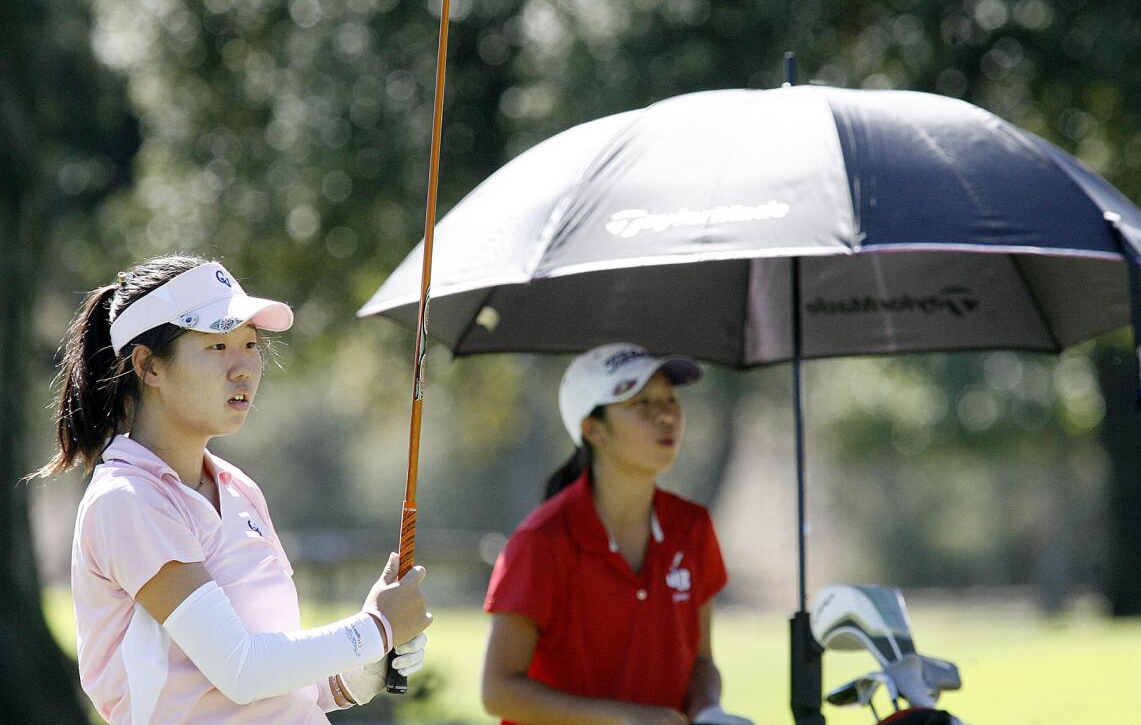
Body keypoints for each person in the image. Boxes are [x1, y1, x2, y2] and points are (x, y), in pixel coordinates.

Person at [30, 255, 432, 724]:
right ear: (148, 366)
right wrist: (376, 629)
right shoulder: (127, 500)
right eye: (218, 346)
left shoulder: (237, 487)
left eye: (250, 344)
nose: (244, 368)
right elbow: (241, 670)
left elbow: (271, 670)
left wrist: (351, 676)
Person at [481, 343, 754, 725]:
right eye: (640, 402)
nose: (666, 416)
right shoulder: (541, 540)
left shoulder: (693, 527)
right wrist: (622, 718)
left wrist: (709, 710)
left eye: (670, 399)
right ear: (593, 429)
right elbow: (498, 691)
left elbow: (702, 661)